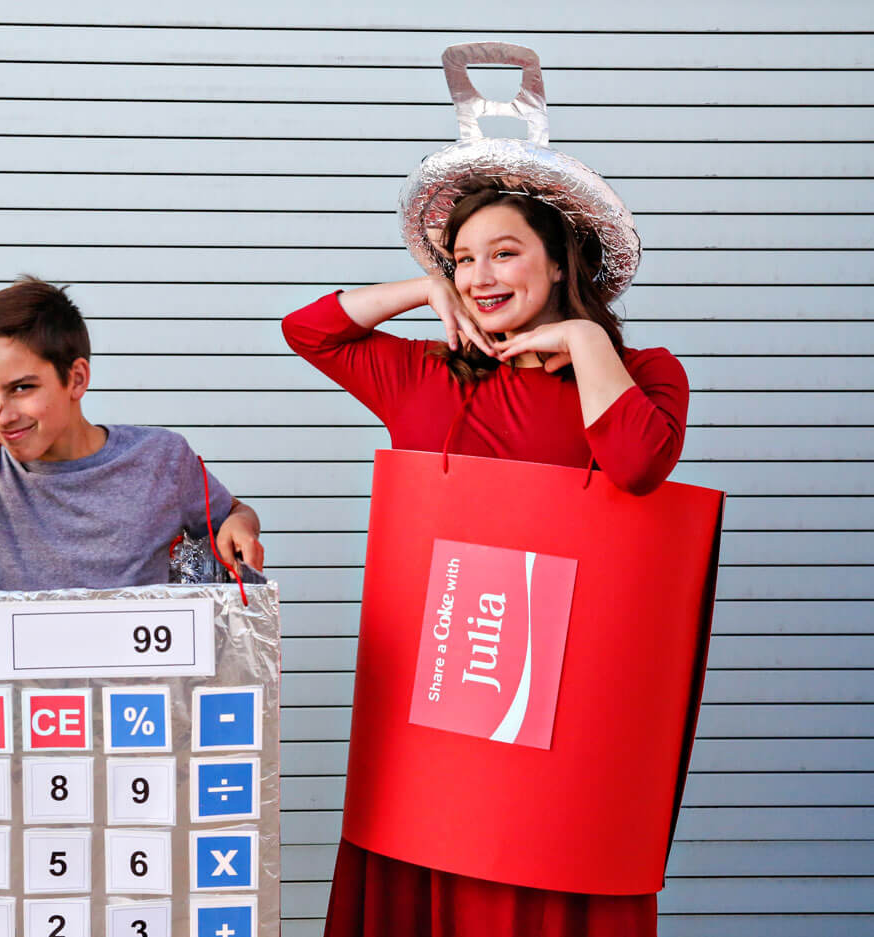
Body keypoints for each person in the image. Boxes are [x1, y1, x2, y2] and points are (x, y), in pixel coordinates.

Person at [282, 181, 688, 936]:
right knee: (430, 854)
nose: (483, 275)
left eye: (506, 253)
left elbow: (636, 463)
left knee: (544, 862)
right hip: (438, 689)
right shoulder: (423, 371)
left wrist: (587, 343)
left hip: (568, 703)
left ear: (562, 263)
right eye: (465, 259)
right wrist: (424, 287)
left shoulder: (646, 373)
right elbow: (308, 329)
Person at [0, 275, 264, 617]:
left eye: (22, 388)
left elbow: (233, 512)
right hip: (22, 708)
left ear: (77, 379)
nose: (1, 413)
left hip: (142, 700)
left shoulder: (161, 459)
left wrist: (238, 524)